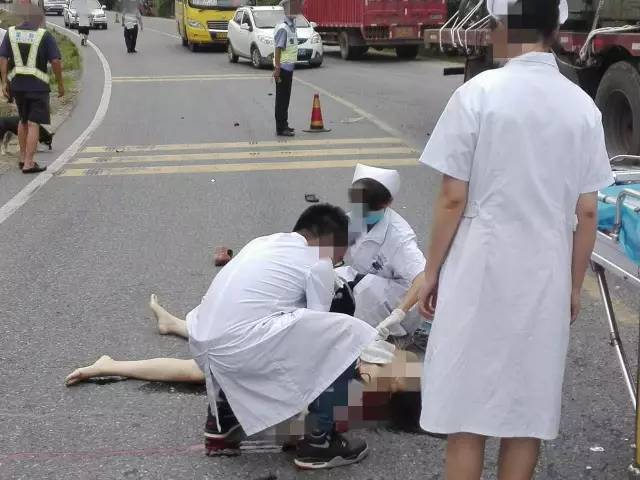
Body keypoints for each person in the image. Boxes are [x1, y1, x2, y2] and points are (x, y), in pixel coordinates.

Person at [416, 1, 613, 479]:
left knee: (467, 415)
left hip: (478, 268)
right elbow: (586, 210)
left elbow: (450, 199)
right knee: (524, 416)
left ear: (508, 27)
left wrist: (431, 272)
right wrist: (571, 286)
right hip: (543, 272)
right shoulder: (582, 107)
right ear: (552, 30)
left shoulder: (478, 94)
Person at [64, 294, 424, 433]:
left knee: (206, 361)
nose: (382, 388)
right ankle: (112, 363)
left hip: (275, 340)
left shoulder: (374, 349)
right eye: (391, 387)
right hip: (269, 345)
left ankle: (171, 326)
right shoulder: (373, 357)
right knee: (200, 370)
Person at [339, 164, 427, 339]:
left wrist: (399, 313)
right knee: (335, 276)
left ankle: (385, 338)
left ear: (388, 204)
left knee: (365, 288)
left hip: (401, 301)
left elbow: (424, 278)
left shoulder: (399, 236)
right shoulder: (354, 218)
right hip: (363, 284)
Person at [0, 2, 63, 174]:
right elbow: (56, 61)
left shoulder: (11, 33)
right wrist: (60, 84)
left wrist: (5, 82)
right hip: (38, 87)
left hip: (17, 87)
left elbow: (3, 58)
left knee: (23, 121)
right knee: (34, 123)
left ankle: (22, 158)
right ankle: (29, 163)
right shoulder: (44, 35)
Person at [273, 0, 302, 137]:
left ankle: (285, 124)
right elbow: (278, 49)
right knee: (281, 100)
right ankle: (280, 128)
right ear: (285, 10)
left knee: (286, 99)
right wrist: (277, 69)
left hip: (289, 69)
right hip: (283, 70)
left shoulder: (292, 26)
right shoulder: (283, 28)